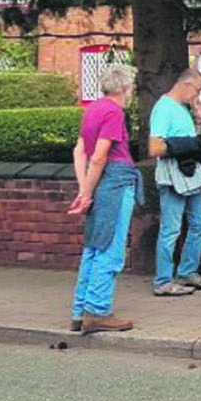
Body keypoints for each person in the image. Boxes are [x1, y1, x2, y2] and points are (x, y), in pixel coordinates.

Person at [68, 64, 141, 334]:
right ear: (124, 88)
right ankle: (98, 311)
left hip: (98, 183)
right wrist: (87, 193)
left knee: (93, 246)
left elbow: (79, 151)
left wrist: (84, 190)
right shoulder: (114, 112)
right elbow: (99, 155)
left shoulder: (92, 110)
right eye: (131, 87)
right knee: (110, 248)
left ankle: (80, 311)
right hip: (115, 183)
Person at [148, 68, 201, 297]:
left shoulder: (181, 108)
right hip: (173, 176)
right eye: (197, 90)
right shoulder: (164, 108)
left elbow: (190, 140)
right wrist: (185, 146)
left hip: (190, 175)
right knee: (171, 229)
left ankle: (187, 271)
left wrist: (199, 120)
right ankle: (163, 281)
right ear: (186, 84)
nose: (197, 95)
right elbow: (155, 148)